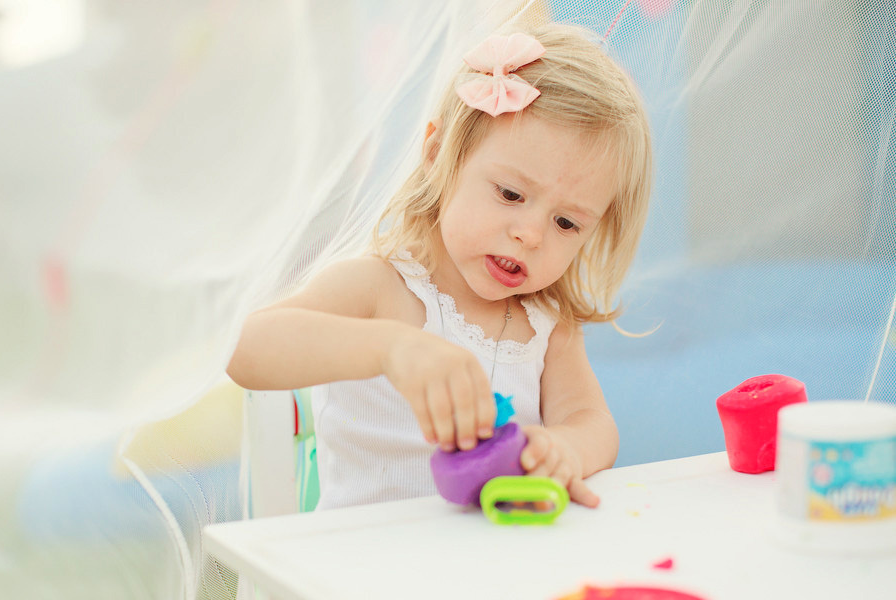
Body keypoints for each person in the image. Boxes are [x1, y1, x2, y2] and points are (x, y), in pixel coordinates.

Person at [227, 23, 653, 510]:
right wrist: (390, 348)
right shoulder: (380, 288)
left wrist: (566, 449)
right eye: (510, 194)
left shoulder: (547, 327)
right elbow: (243, 349)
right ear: (437, 156)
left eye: (566, 222)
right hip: (371, 568)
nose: (531, 234)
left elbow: (592, 420)